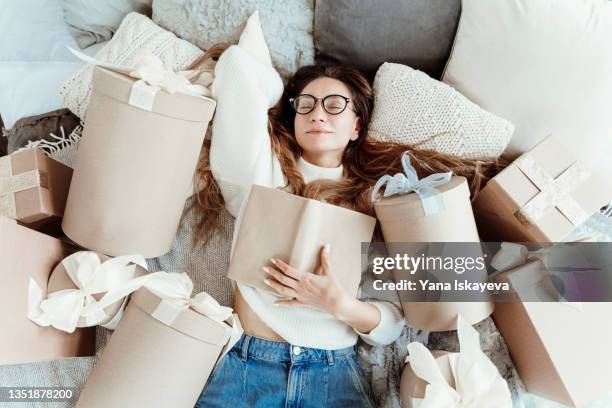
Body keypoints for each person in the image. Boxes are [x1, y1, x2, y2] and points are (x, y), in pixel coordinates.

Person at [191, 29, 503, 408]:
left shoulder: (376, 205)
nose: (318, 114)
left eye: (334, 104)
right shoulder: (262, 174)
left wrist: (337, 304)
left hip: (330, 373)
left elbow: (391, 325)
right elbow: (238, 69)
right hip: (248, 366)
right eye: (305, 105)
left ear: (357, 126)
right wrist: (277, 100)